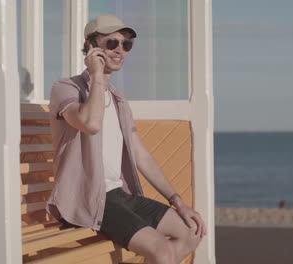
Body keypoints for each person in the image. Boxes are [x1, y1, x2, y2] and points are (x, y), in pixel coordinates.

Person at [45, 14, 205, 264]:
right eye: (112, 43)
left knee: (191, 233)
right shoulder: (66, 88)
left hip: (118, 195)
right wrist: (96, 76)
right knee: (161, 251)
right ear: (90, 46)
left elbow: (141, 154)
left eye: (126, 44)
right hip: (86, 198)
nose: (120, 50)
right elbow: (90, 123)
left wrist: (177, 201)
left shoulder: (118, 100)